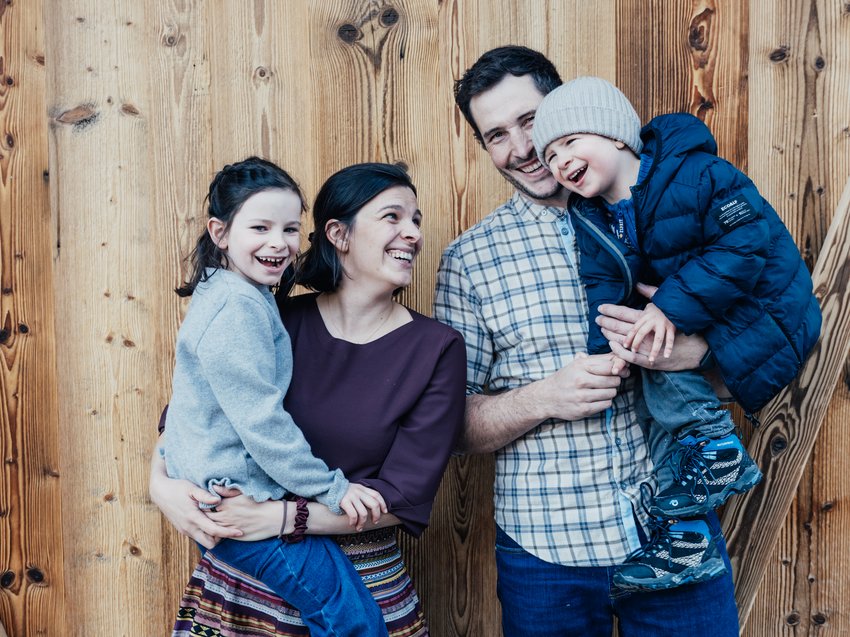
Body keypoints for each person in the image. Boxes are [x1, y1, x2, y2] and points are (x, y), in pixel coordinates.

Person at [434, 45, 743, 636]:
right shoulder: (469, 262)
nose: (522, 149)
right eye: (496, 135)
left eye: (529, 121)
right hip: (547, 552)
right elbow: (449, 426)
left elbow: (762, 349)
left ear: (564, 106)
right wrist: (544, 398)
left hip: (674, 532)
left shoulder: (671, 212)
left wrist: (697, 355)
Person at [150, 162, 466, 636]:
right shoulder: (276, 315)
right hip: (242, 589)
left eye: (416, 220)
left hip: (362, 578)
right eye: (393, 217)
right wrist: (161, 486)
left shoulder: (435, 348)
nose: (413, 233)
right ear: (339, 234)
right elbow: (191, 415)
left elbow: (405, 495)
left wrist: (281, 517)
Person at [530, 76, 821, 590]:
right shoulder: (592, 216)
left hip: (765, 310)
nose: (559, 162)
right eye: (549, 156)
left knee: (656, 360)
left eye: (570, 142)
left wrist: (667, 306)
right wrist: (611, 355)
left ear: (615, 135)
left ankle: (718, 447)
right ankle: (684, 541)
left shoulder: (697, 174)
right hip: (694, 317)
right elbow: (603, 288)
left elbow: (746, 245)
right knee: (649, 401)